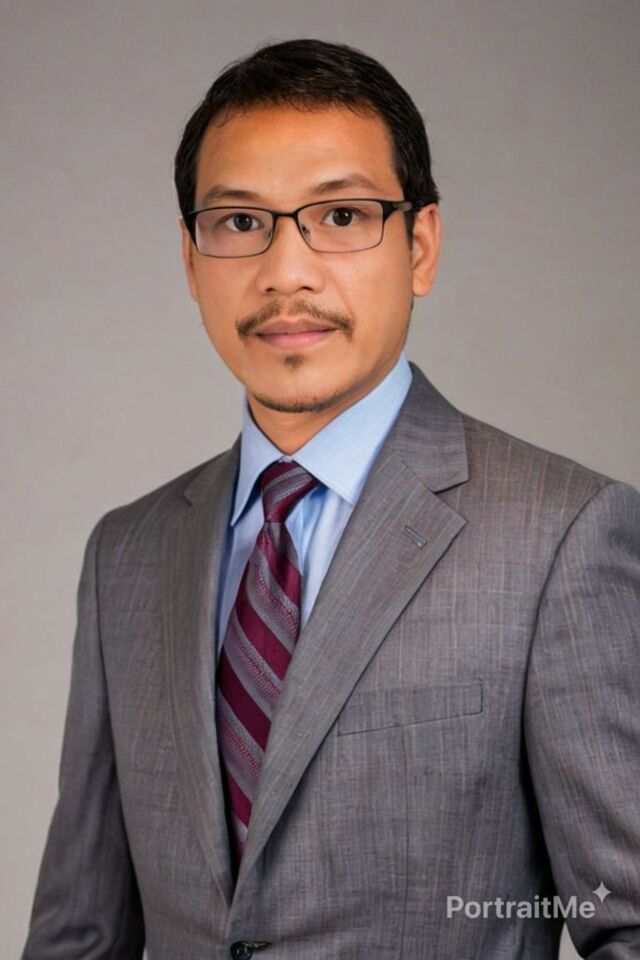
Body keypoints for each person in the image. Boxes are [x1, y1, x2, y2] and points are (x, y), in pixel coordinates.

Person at [21, 38, 640, 960]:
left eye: (341, 215)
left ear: (420, 246)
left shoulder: (562, 537)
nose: (286, 272)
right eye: (240, 222)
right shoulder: (129, 553)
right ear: (191, 259)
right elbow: (79, 931)